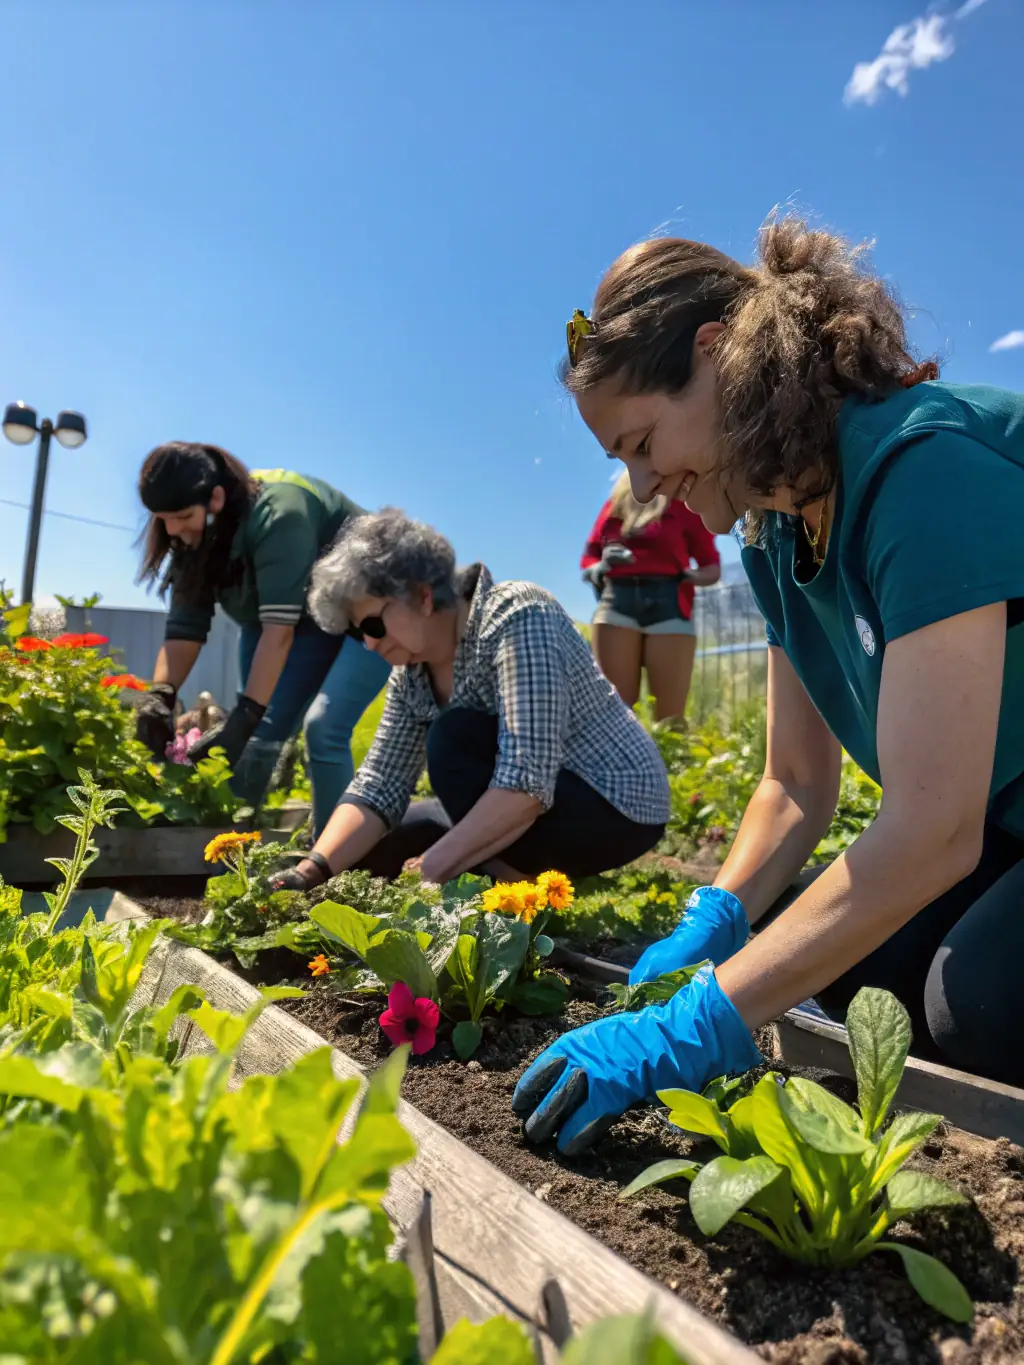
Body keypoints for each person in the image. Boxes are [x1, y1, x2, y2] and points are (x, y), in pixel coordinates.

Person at [513, 216, 1024, 1156]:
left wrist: (692, 1024)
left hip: (978, 823)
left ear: (716, 356)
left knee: (978, 1006)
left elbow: (934, 828)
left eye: (642, 442)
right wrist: (719, 914)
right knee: (825, 974)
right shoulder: (777, 532)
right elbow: (795, 781)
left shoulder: (920, 469)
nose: (642, 486)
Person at [268, 508, 669, 892]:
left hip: (614, 805)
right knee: (370, 853)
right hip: (525, 802)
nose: (370, 643)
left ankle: (509, 887)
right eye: (359, 634)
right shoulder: (411, 675)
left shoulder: (517, 614)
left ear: (422, 595)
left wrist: (427, 873)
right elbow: (379, 785)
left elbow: (526, 780)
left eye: (373, 623)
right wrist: (310, 871)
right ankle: (489, 868)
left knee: (452, 737)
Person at [133, 443, 390, 835]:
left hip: (374, 609)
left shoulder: (280, 513)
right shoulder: (191, 538)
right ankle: (227, 846)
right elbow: (184, 629)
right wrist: (161, 695)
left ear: (215, 497)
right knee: (256, 737)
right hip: (295, 617)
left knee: (324, 730)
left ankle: (334, 860)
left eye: (182, 516)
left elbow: (279, 632)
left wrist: (246, 714)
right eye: (162, 519)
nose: (172, 530)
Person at [582, 470, 720, 721]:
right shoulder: (613, 508)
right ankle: (623, 759)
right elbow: (589, 557)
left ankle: (669, 758)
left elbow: (711, 566)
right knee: (615, 714)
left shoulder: (682, 506)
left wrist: (684, 576)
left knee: (671, 720)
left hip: (668, 602)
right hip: (616, 601)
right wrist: (600, 566)